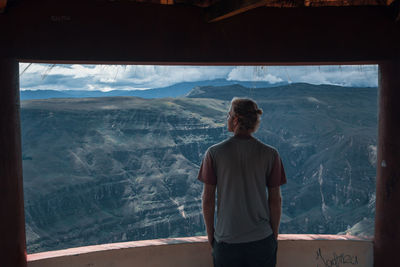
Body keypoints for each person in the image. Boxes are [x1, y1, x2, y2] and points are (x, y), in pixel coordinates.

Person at [198, 97, 287, 267]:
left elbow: (207, 199)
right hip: (262, 241)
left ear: (236, 119)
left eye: (229, 114)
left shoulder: (214, 154)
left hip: (226, 242)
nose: (227, 118)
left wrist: (212, 237)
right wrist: (272, 236)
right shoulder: (271, 154)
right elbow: (275, 200)